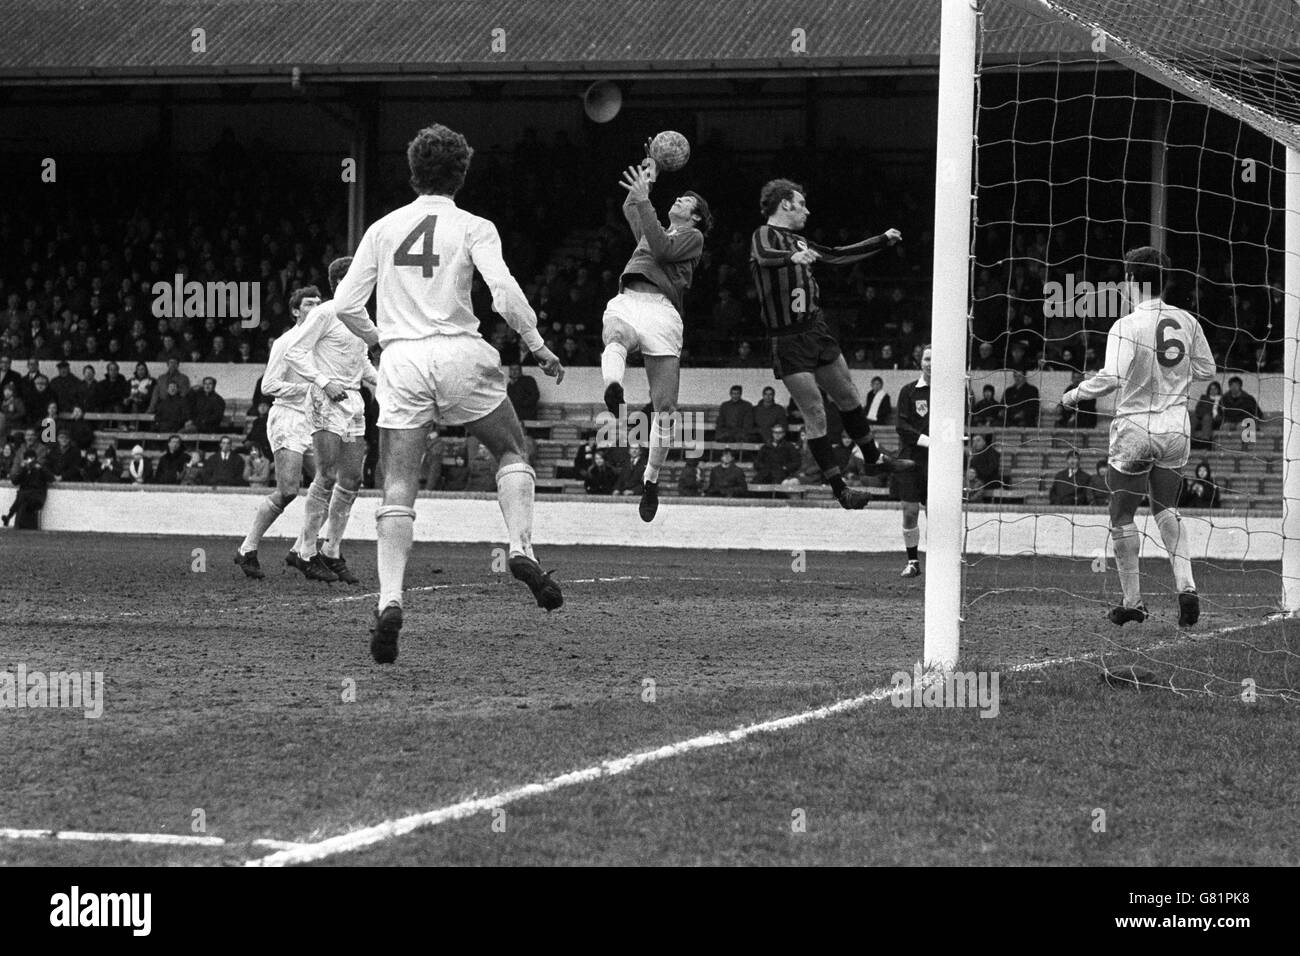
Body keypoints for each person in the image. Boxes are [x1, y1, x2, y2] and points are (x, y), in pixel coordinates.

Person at [330, 122, 566, 663]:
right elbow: (504, 292)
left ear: (412, 172)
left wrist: (383, 339)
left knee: (397, 484)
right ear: (462, 173)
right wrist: (537, 345)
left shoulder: (383, 229)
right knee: (511, 450)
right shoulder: (475, 226)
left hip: (403, 359)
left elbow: (344, 305)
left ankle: (389, 600)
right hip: (461, 351)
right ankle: (521, 548)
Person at [1061, 247, 1216, 627]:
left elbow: (1112, 378)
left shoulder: (1126, 325)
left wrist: (1075, 393)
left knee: (1122, 514)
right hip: (1177, 429)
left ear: (1132, 281)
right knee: (1166, 509)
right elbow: (1207, 369)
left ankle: (1133, 601)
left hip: (1135, 428)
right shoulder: (1187, 320)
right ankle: (1187, 587)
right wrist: (1173, 380)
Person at [748, 178, 911, 511]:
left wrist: (881, 240)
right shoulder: (764, 235)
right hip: (788, 338)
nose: (807, 210)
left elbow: (837, 256)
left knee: (849, 395)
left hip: (816, 330)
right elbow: (765, 256)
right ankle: (841, 491)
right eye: (802, 203)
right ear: (786, 205)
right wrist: (791, 259)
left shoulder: (801, 241)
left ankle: (873, 456)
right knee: (816, 414)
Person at [597, 152, 711, 523]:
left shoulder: (692, 237)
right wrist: (650, 172)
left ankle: (651, 479)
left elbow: (662, 247)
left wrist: (646, 200)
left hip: (663, 311)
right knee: (614, 333)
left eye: (686, 202)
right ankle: (614, 391)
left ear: (695, 217)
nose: (677, 201)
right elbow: (633, 206)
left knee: (665, 408)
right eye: (677, 198)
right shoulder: (653, 226)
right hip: (630, 298)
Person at [281, 257, 380, 585]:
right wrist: (324, 382)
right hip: (327, 399)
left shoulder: (361, 316)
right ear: (342, 280)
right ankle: (305, 551)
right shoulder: (325, 313)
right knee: (325, 476)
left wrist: (384, 383)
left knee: (352, 480)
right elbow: (293, 352)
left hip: (353, 402)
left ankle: (331, 549)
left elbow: (362, 359)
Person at [234, 287, 323, 580]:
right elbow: (268, 386)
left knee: (330, 484)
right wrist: (307, 389)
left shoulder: (322, 342)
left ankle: (302, 550)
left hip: (313, 420)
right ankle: (247, 549)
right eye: (309, 304)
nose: (316, 307)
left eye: (319, 303)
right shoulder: (286, 343)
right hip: (287, 418)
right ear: (296, 311)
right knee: (288, 490)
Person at [895, 346, 932, 578]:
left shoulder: (952, 392)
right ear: (920, 362)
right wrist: (929, 441)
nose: (930, 363)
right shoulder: (908, 391)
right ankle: (913, 562)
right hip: (910, 460)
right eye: (927, 358)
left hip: (939, 463)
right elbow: (901, 427)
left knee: (936, 514)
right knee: (910, 512)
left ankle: (940, 560)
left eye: (935, 359)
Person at [2, 450, 54, 529]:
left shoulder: (40, 468)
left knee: (22, 495)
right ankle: (9, 517)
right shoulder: (25, 470)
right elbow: (15, 481)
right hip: (25, 496)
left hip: (37, 496)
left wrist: (41, 469)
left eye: (31, 459)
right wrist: (23, 469)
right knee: (23, 495)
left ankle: (9, 516)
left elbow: (51, 478)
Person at [1191, 381, 1224, 449]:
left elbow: (1221, 413)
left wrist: (1209, 413)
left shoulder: (1221, 399)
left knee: (1207, 417)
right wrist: (1206, 413)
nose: (1213, 391)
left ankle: (1205, 441)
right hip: (1202, 417)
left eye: (1215, 389)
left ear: (1218, 390)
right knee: (1194, 417)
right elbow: (1198, 409)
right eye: (1211, 389)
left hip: (1215, 420)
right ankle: (1189, 439)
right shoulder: (1204, 397)